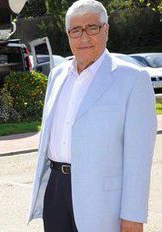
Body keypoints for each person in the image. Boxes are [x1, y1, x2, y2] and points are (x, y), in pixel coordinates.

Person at [27, 1, 155, 231]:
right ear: (68, 35)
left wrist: (133, 215)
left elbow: (139, 157)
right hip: (56, 190)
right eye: (76, 30)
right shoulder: (57, 75)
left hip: (103, 201)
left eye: (92, 28)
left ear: (106, 30)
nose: (84, 37)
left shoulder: (133, 79)